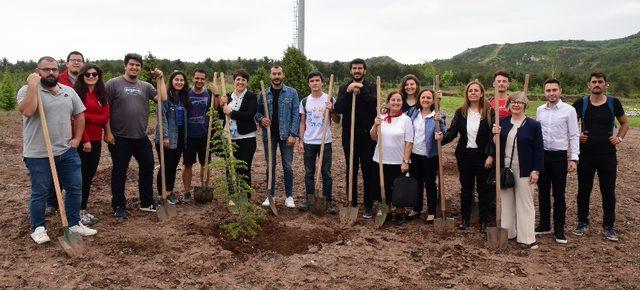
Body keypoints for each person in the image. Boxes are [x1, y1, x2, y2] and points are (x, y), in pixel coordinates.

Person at [18, 56, 97, 244]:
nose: (51, 73)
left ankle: (75, 223)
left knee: (75, 187)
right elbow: (27, 111)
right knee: (41, 191)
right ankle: (38, 227)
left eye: (54, 69)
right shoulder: (27, 90)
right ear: (38, 72)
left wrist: (77, 139)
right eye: (46, 70)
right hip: (38, 153)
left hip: (66, 151)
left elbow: (79, 115)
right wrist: (32, 87)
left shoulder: (68, 92)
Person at [106, 53, 167, 219]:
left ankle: (146, 202)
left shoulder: (146, 86)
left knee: (148, 167)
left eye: (137, 65)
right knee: (120, 172)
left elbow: (162, 98)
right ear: (125, 66)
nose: (134, 67)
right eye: (131, 64)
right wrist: (107, 132)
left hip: (141, 137)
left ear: (140, 68)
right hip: (119, 137)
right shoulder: (113, 84)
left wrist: (161, 79)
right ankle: (119, 205)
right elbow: (105, 109)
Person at [571, 72, 629, 241]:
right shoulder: (581, 103)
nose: (597, 84)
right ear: (588, 85)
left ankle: (608, 226)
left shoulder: (613, 103)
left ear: (605, 85)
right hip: (586, 154)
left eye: (600, 82)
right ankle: (582, 222)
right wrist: (576, 135)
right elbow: (568, 121)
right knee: (584, 190)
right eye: (594, 82)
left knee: (608, 191)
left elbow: (624, 122)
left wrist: (619, 138)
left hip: (607, 155)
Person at [436, 80, 494, 233]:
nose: (473, 93)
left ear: (481, 93)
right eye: (470, 91)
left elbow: (493, 137)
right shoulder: (460, 112)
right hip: (465, 156)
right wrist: (441, 138)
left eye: (476, 90)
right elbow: (452, 132)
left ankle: (483, 222)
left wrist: (491, 155)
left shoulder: (489, 112)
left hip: (483, 157)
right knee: (466, 188)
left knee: (483, 189)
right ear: (467, 94)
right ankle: (466, 219)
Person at [491, 92, 544, 249]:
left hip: (525, 170)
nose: (516, 104)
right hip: (506, 169)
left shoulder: (533, 125)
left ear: (525, 105)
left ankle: (527, 238)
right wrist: (495, 135)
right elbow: (496, 144)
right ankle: (509, 233)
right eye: (513, 102)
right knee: (506, 203)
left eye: (520, 102)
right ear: (508, 105)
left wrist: (536, 170)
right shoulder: (502, 122)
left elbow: (539, 150)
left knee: (524, 204)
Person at [535, 79, 580, 244]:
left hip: (559, 156)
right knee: (543, 192)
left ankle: (559, 229)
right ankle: (545, 224)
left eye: (554, 90)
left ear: (560, 90)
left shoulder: (569, 111)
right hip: (542, 155)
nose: (551, 93)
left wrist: (574, 158)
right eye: (548, 90)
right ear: (544, 92)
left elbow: (574, 135)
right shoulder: (540, 110)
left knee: (559, 194)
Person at [334, 58, 379, 218]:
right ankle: (351, 202)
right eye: (354, 68)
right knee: (351, 169)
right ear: (350, 71)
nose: (357, 71)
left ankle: (368, 205)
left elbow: (375, 105)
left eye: (360, 68)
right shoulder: (343, 87)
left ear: (364, 71)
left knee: (368, 171)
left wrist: (362, 91)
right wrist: (348, 91)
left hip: (368, 136)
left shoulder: (372, 87)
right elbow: (338, 108)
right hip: (349, 136)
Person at [45, 51, 85, 215]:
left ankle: (75, 208)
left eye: (79, 61)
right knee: (55, 171)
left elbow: (82, 113)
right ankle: (52, 203)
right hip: (61, 134)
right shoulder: (56, 79)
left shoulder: (87, 79)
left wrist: (80, 137)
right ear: (67, 63)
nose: (76, 63)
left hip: (80, 132)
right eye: (73, 60)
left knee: (76, 175)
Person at [255, 66, 300, 208]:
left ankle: (289, 196)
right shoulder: (263, 94)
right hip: (269, 136)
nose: (276, 76)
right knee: (270, 166)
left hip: (286, 135)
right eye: (274, 74)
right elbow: (256, 113)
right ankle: (270, 195)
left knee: (287, 166)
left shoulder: (292, 93)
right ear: (270, 76)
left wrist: (293, 134)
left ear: (283, 75)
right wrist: (261, 119)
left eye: (279, 74)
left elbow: (295, 114)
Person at [73, 64, 112, 226]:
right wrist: (85, 139)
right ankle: (74, 211)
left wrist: (87, 116)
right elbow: (75, 118)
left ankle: (82, 210)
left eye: (94, 74)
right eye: (87, 74)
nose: (91, 77)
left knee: (88, 176)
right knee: (78, 177)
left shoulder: (101, 95)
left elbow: (104, 117)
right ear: (82, 76)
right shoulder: (77, 94)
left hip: (96, 141)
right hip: (82, 140)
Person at [370, 91, 414, 224]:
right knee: (383, 186)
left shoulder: (406, 119)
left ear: (402, 103)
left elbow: (409, 142)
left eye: (399, 100)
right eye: (393, 100)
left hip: (398, 160)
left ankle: (400, 212)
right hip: (380, 159)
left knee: (398, 188)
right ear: (388, 102)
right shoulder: (381, 117)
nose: (396, 102)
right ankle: (387, 210)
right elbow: (373, 137)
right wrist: (375, 125)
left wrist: (405, 161)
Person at [297, 71, 337, 214]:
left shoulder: (330, 98)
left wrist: (332, 110)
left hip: (325, 142)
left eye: (317, 80)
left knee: (326, 172)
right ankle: (310, 200)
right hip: (309, 141)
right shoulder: (304, 101)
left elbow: (337, 120)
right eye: (312, 81)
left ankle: (328, 201)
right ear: (309, 84)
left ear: (322, 82)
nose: (315, 83)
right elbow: (302, 122)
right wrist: (301, 140)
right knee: (309, 173)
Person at [407, 89, 446, 222]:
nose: (425, 100)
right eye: (423, 97)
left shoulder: (438, 116)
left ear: (433, 100)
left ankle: (431, 212)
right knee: (416, 182)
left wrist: (439, 134)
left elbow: (443, 134)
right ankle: (416, 209)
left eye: (429, 98)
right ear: (419, 99)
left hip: (430, 156)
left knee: (429, 184)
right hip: (414, 154)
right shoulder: (413, 113)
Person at [182, 69, 219, 203]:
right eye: (197, 78)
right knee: (188, 165)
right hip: (189, 136)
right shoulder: (186, 93)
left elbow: (215, 109)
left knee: (205, 164)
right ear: (193, 78)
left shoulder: (208, 93)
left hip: (205, 135)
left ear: (205, 80)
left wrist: (216, 94)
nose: (199, 81)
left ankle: (204, 187)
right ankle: (187, 192)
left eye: (202, 79)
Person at [155, 71, 191, 204]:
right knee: (165, 166)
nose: (179, 82)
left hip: (179, 137)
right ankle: (162, 195)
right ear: (171, 81)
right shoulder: (166, 97)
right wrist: (165, 136)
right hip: (167, 137)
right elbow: (161, 117)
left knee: (173, 166)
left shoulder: (183, 97)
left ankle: (169, 193)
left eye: (182, 80)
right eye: (177, 80)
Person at [219, 69, 257, 198]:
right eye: (238, 80)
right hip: (229, 137)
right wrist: (221, 104)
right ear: (234, 81)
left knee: (244, 168)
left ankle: (245, 197)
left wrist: (232, 112)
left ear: (247, 82)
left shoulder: (251, 96)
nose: (240, 82)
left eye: (243, 80)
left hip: (246, 138)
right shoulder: (228, 96)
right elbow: (221, 115)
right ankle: (232, 196)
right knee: (230, 169)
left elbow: (249, 115)